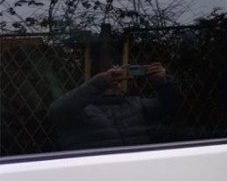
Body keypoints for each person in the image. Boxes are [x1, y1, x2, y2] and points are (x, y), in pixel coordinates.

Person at [49, 62, 179, 150]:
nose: (115, 83)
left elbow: (171, 107)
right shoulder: (81, 109)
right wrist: (101, 82)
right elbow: (57, 111)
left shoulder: (136, 104)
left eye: (119, 79)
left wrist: (163, 83)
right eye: (111, 79)